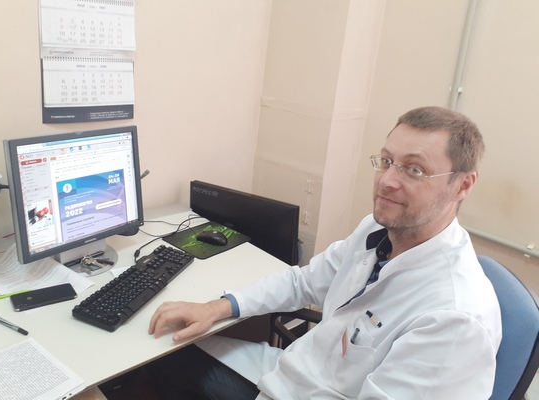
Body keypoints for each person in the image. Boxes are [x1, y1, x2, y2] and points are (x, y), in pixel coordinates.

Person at [145, 106, 502, 399]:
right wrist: (216, 307)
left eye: (414, 169)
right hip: (294, 374)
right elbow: (303, 282)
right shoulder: (376, 232)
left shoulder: (455, 321)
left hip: (306, 387)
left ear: (463, 185)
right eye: (386, 161)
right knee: (162, 359)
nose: (387, 181)